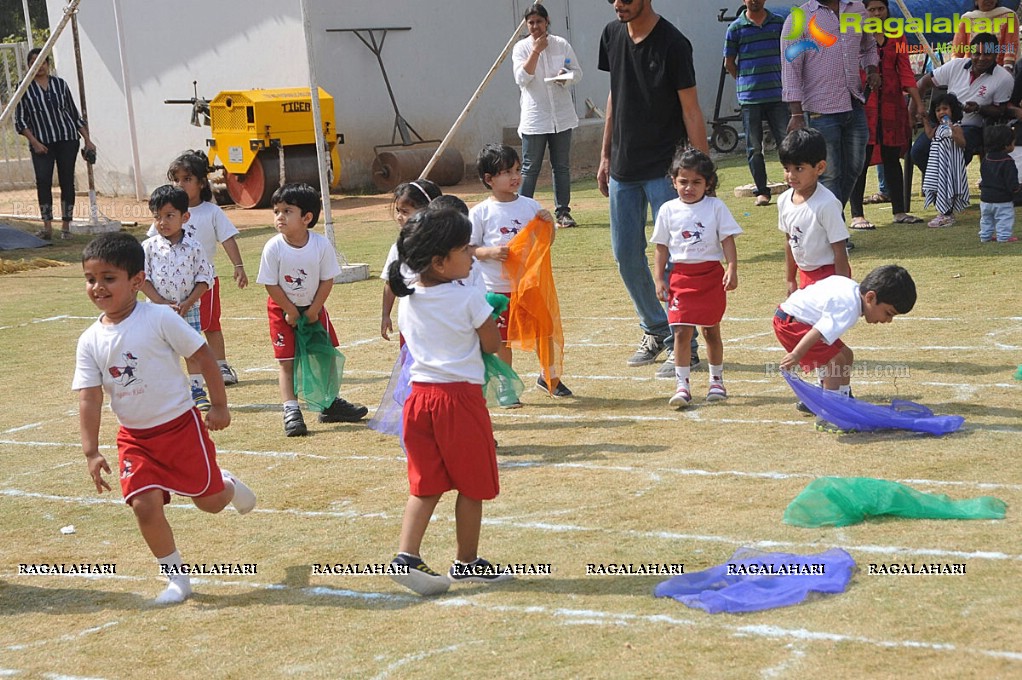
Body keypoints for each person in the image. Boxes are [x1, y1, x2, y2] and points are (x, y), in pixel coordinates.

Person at [73, 231, 256, 605]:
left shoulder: (159, 318)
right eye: (91, 279)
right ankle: (177, 579)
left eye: (109, 278)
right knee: (144, 505)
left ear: (137, 281)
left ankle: (228, 486)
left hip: (181, 428)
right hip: (135, 439)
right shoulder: (89, 340)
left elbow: (203, 357)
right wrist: (91, 451)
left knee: (209, 502)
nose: (98, 288)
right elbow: (89, 398)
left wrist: (218, 405)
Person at [386, 207, 511, 596]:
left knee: (425, 484)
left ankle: (406, 555)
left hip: (418, 400)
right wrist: (490, 314)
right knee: (472, 485)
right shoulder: (468, 298)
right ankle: (467, 561)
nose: (471, 254)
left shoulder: (410, 300)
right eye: (463, 248)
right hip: (459, 400)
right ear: (439, 261)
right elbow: (492, 344)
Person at [598, 0, 708, 377]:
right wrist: (605, 153)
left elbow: (691, 109)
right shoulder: (611, 34)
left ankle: (686, 346)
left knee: (676, 260)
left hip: (665, 170)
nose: (618, 5)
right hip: (623, 169)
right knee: (625, 255)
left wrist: (702, 172)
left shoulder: (674, 44)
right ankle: (656, 328)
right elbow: (615, 95)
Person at [255, 183, 368, 436]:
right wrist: (290, 311)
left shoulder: (320, 245)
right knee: (286, 361)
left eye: (287, 211)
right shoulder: (273, 247)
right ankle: (291, 409)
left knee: (325, 355)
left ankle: (329, 403)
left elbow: (327, 279)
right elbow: (270, 283)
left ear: (306, 217)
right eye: (276, 211)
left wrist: (314, 310)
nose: (279, 217)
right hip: (282, 310)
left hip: (314, 308)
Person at [469, 143, 568, 400]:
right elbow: (467, 248)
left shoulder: (529, 206)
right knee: (501, 342)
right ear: (489, 179)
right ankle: (506, 385)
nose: (515, 177)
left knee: (543, 334)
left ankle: (550, 378)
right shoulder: (480, 212)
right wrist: (489, 253)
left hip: (528, 286)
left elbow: (544, 242)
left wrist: (548, 225)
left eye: (516, 170)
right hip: (497, 291)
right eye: (506, 172)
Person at [146, 152, 249, 386]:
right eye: (176, 179)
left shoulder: (211, 212)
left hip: (204, 283)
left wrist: (239, 266)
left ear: (201, 183)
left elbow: (228, 239)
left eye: (186, 179)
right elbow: (151, 244)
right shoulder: (165, 215)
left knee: (210, 325)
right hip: (171, 289)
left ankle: (221, 365)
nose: (180, 184)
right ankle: (181, 375)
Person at [774, 264, 916, 432]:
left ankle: (839, 401)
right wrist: (797, 354)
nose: (888, 320)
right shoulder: (848, 307)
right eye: (888, 313)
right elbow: (818, 331)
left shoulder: (851, 290)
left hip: (795, 319)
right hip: (791, 324)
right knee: (836, 361)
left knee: (846, 355)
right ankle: (830, 415)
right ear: (870, 297)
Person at [650, 149, 741, 408]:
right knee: (680, 331)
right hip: (680, 277)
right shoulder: (667, 210)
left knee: (711, 331)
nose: (689, 187)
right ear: (673, 181)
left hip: (710, 277)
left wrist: (731, 267)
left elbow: (727, 239)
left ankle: (716, 381)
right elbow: (661, 247)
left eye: (696, 182)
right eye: (683, 182)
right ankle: (682, 385)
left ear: (708, 183)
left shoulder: (716, 207)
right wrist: (659, 279)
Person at [781, 0, 879, 213]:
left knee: (855, 167)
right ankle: (835, 231)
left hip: (854, 103)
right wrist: (796, 113)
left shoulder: (857, 10)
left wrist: (872, 70)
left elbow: (869, 45)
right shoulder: (799, 18)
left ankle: (828, 219)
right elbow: (791, 68)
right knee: (829, 173)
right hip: (820, 109)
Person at [848, 0, 925, 228]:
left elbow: (906, 71)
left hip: (892, 104)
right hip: (865, 104)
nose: (876, 13)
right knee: (861, 158)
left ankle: (899, 211)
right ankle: (857, 215)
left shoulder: (897, 35)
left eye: (880, 9)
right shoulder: (856, 35)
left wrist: (918, 103)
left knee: (892, 156)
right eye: (871, 9)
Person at [140, 185, 214, 411]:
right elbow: (142, 279)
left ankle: (197, 391)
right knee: (160, 354)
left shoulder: (194, 246)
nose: (162, 222)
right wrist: (161, 304)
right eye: (157, 217)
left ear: (185, 217)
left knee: (191, 351)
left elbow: (204, 279)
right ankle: (166, 394)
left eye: (169, 216)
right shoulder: (148, 247)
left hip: (187, 310)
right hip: (157, 314)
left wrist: (188, 302)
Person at [13, 47, 97, 241]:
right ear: (28, 66)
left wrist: (87, 139)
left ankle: (66, 226)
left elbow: (73, 115)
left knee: (67, 180)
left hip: (67, 138)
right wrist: (34, 142)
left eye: (42, 61)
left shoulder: (60, 85)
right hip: (41, 143)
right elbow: (20, 121)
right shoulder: (23, 88)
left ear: (48, 64)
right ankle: (47, 227)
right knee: (43, 181)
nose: (39, 66)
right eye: (34, 62)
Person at [512, 3, 583, 228]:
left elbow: (577, 73)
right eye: (531, 23)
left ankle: (563, 212)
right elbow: (522, 78)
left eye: (539, 22)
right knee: (530, 167)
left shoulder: (561, 44)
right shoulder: (521, 48)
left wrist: (566, 76)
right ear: (526, 24)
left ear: (547, 21)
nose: (535, 26)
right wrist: (536, 51)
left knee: (561, 166)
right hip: (535, 118)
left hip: (561, 116)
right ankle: (522, 215)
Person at [910, 33, 1014, 173]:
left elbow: (1000, 111)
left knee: (956, 152)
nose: (981, 58)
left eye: (987, 54)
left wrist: (978, 108)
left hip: (972, 127)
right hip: (942, 124)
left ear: (996, 54)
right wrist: (912, 113)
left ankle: (947, 186)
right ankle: (941, 184)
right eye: (976, 53)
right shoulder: (957, 65)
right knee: (918, 151)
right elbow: (922, 83)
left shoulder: (1004, 78)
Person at [724, 0, 788, 207]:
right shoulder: (735, 28)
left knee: (786, 143)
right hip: (750, 98)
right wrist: (746, 81)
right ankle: (762, 191)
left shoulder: (779, 23)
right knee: (754, 147)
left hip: (777, 95)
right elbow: (730, 63)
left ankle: (796, 186)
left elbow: (789, 54)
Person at [777, 129, 851, 293]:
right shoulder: (783, 200)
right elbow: (790, 242)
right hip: (806, 275)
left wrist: (843, 289)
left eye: (799, 168)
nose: (791, 175)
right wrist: (790, 279)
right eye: (786, 168)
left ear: (820, 167)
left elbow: (839, 249)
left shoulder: (827, 204)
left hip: (830, 275)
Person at [381, 179, 442, 341]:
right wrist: (385, 314)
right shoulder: (398, 248)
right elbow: (390, 282)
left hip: (440, 319)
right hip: (411, 322)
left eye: (405, 212)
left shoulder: (444, 246)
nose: (399, 217)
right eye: (398, 211)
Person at [922, 94, 970, 228]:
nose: (941, 112)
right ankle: (943, 212)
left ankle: (947, 214)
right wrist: (925, 121)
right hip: (938, 163)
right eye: (938, 110)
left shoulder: (956, 127)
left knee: (948, 185)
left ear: (953, 110)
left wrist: (952, 130)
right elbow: (930, 135)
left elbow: (962, 143)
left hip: (949, 164)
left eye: (945, 109)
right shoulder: (938, 128)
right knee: (938, 186)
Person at [978, 124, 1021, 241]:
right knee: (1004, 217)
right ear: (1006, 145)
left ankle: (985, 236)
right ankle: (1004, 237)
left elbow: (983, 175)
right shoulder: (1007, 161)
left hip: (985, 198)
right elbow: (1011, 181)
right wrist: (1016, 190)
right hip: (1003, 199)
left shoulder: (985, 159)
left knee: (986, 219)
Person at [952, 0, 1019, 71]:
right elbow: (958, 49)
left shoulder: (1009, 16)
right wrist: (954, 68)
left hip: (999, 69)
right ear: (976, 1)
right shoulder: (967, 19)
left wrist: (1007, 67)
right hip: (971, 70)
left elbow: (1011, 44)